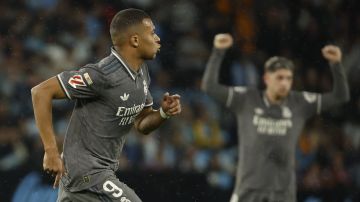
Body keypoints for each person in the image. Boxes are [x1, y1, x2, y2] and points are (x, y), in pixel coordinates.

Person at [31, 8, 181, 202]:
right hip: (87, 174)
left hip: (87, 178)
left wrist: (163, 113)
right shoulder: (103, 75)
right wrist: (51, 152)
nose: (158, 38)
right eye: (152, 33)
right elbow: (41, 92)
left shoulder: (141, 73)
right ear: (135, 40)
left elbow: (142, 123)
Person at [201, 33, 350, 202]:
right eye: (279, 77)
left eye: (288, 78)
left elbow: (340, 96)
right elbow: (210, 87)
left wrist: (336, 64)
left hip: (283, 193)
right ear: (266, 78)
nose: (285, 83)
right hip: (248, 190)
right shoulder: (247, 99)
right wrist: (218, 52)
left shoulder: (299, 102)